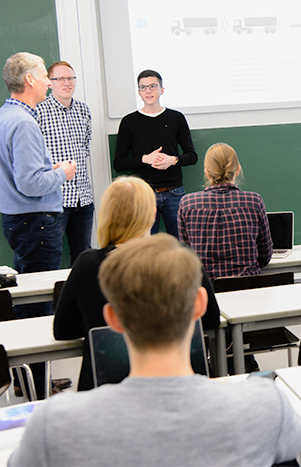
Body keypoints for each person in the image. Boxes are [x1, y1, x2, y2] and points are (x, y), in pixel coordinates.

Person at [9, 234, 301, 467]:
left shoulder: (54, 425)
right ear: (200, 305)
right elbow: (294, 447)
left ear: (112, 318)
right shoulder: (266, 405)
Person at [53, 176, 219, 390]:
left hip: (105, 389)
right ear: (151, 215)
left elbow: (63, 331)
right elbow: (211, 319)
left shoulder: (87, 264)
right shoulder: (178, 257)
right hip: (180, 382)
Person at [0, 52, 76, 399]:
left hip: (21, 221)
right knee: (37, 310)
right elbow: (31, 183)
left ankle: (27, 380)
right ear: (29, 80)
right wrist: (62, 172)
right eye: (44, 75)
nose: (49, 81)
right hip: (36, 222)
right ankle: (37, 387)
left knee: (27, 305)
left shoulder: (7, 116)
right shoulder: (25, 123)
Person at [114, 69, 197, 237]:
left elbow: (192, 156)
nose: (148, 91)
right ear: (138, 92)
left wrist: (172, 160)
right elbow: (119, 163)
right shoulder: (129, 121)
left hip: (175, 192)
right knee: (145, 245)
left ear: (162, 89)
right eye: (143, 87)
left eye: (153, 86)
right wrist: (145, 159)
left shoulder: (176, 118)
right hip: (143, 193)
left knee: (180, 243)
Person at [178, 142, 273, 282]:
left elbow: (186, 258)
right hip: (249, 289)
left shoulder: (187, 204)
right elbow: (265, 256)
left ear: (207, 173)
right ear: (238, 170)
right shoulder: (254, 201)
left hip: (207, 291)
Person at [36, 61, 94, 266]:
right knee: (50, 258)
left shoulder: (83, 110)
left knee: (83, 258)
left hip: (83, 199)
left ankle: (80, 299)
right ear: (49, 83)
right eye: (60, 78)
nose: (67, 83)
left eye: (70, 78)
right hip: (54, 201)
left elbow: (85, 147)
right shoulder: (38, 111)